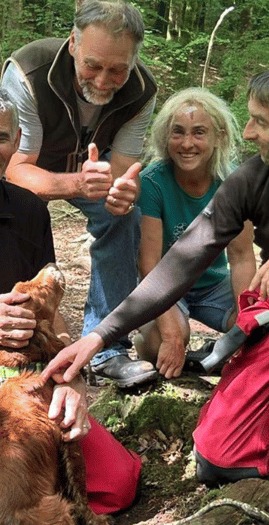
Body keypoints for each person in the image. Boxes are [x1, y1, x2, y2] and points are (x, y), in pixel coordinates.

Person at [43, 62, 269, 514]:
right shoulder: (254, 177)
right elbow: (181, 262)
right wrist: (98, 337)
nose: (247, 133)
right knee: (217, 458)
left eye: (261, 123)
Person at [1, 0, 158, 388]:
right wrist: (75, 182)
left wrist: (120, 194)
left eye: (117, 69)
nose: (104, 80)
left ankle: (106, 348)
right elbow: (15, 169)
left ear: (134, 62)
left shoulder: (141, 90)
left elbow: (121, 170)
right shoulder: (29, 72)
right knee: (20, 211)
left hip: (94, 166)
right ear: (73, 43)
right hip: (32, 163)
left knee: (124, 216)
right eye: (93, 65)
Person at [0, 88, 141, 515]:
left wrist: (72, 382)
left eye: (2, 136)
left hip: (24, 380)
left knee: (115, 484)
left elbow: (55, 318)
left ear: (19, 139)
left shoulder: (27, 210)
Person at [134, 88, 255, 379]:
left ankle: (219, 348)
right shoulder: (152, 182)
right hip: (167, 286)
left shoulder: (236, 183)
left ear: (219, 137)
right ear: (166, 136)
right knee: (160, 342)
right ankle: (143, 337)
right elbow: (148, 266)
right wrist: (171, 332)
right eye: (178, 132)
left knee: (262, 330)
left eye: (199, 133)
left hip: (214, 284)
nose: (187, 143)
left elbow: (241, 258)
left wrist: (246, 324)